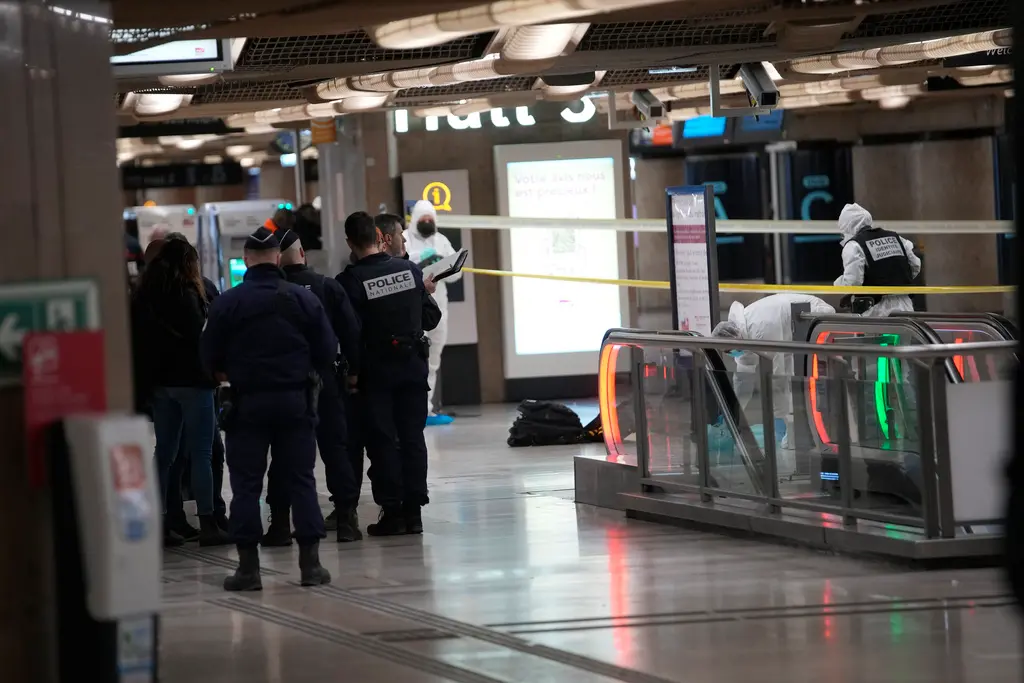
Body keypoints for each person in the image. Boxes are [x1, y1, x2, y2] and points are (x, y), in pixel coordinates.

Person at [201, 227, 337, 591]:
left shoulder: (227, 303)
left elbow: (208, 356)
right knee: (301, 480)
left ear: (246, 259)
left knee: (246, 485)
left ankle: (248, 569)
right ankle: (310, 566)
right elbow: (327, 351)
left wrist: (226, 372)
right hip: (295, 403)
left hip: (246, 405)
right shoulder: (303, 300)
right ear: (278, 257)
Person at [337, 211, 442, 536]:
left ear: (351, 243)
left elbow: (350, 333)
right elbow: (431, 317)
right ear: (379, 237)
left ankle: (393, 511)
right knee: (412, 439)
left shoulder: (350, 281)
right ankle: (415, 512)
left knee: (383, 441)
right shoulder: (409, 270)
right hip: (412, 369)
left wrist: (352, 374)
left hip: (376, 374)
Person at [262, 229, 363, 544]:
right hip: (325, 381)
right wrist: (354, 373)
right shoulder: (327, 287)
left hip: (283, 385)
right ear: (302, 252)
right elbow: (351, 333)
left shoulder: (267, 292)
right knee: (335, 449)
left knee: (283, 454)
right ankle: (346, 519)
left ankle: (279, 524)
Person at [131, 237, 230, 547]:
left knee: (165, 453)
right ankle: (208, 522)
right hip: (192, 382)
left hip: (161, 385)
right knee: (201, 453)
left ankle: (159, 523)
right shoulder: (188, 294)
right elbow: (202, 336)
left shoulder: (143, 296)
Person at [711, 295, 835, 474]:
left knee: (804, 380)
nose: (731, 354)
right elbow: (743, 379)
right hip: (794, 330)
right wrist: (731, 409)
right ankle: (799, 430)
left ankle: (805, 434)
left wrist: (783, 416)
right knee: (795, 378)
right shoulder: (743, 334)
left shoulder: (758, 331)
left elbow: (778, 378)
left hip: (813, 319)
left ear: (733, 340)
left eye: (729, 351)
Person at [404, 200, 461, 425]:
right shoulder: (405, 239)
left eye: (430, 219)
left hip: (439, 309)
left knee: (433, 362)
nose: (427, 223)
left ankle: (427, 410)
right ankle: (412, 409)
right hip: (414, 310)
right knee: (415, 361)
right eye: (423, 219)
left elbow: (457, 273)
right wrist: (421, 261)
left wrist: (441, 263)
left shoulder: (441, 241)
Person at [835, 203, 921, 317]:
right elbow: (915, 265)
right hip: (905, 304)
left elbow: (853, 283)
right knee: (906, 334)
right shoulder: (896, 237)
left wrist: (837, 284)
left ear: (847, 226)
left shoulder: (854, 245)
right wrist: (896, 281)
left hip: (876, 309)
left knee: (878, 335)